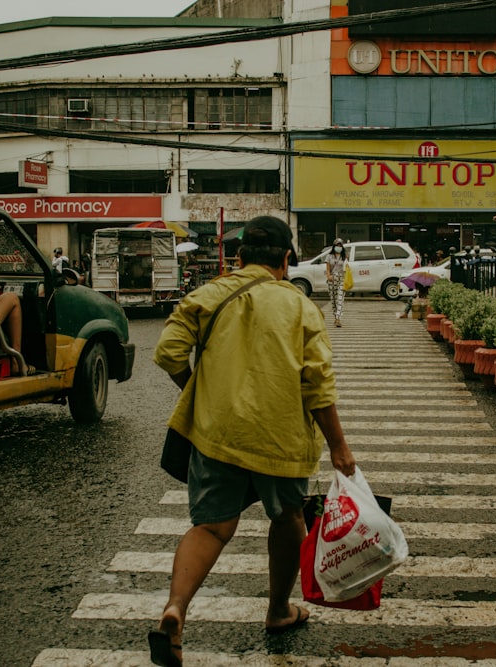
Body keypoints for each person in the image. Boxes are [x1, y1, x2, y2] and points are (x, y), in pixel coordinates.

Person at [150, 215, 356, 667]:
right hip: (280, 438)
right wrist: (340, 448)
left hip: (217, 435)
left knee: (211, 527)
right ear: (286, 259)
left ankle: (175, 609)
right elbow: (317, 384)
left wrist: (197, 391)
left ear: (238, 258)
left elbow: (167, 353)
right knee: (286, 520)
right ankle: (278, 611)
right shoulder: (301, 307)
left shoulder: (206, 295)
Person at [324, 237, 347, 327]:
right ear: (334, 246)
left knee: (340, 299)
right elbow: (328, 268)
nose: (339, 247)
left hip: (342, 278)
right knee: (333, 300)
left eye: (340, 245)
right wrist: (329, 276)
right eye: (337, 245)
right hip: (332, 278)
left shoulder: (344, 256)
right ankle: (335, 316)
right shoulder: (329, 256)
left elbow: (347, 268)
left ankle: (338, 318)